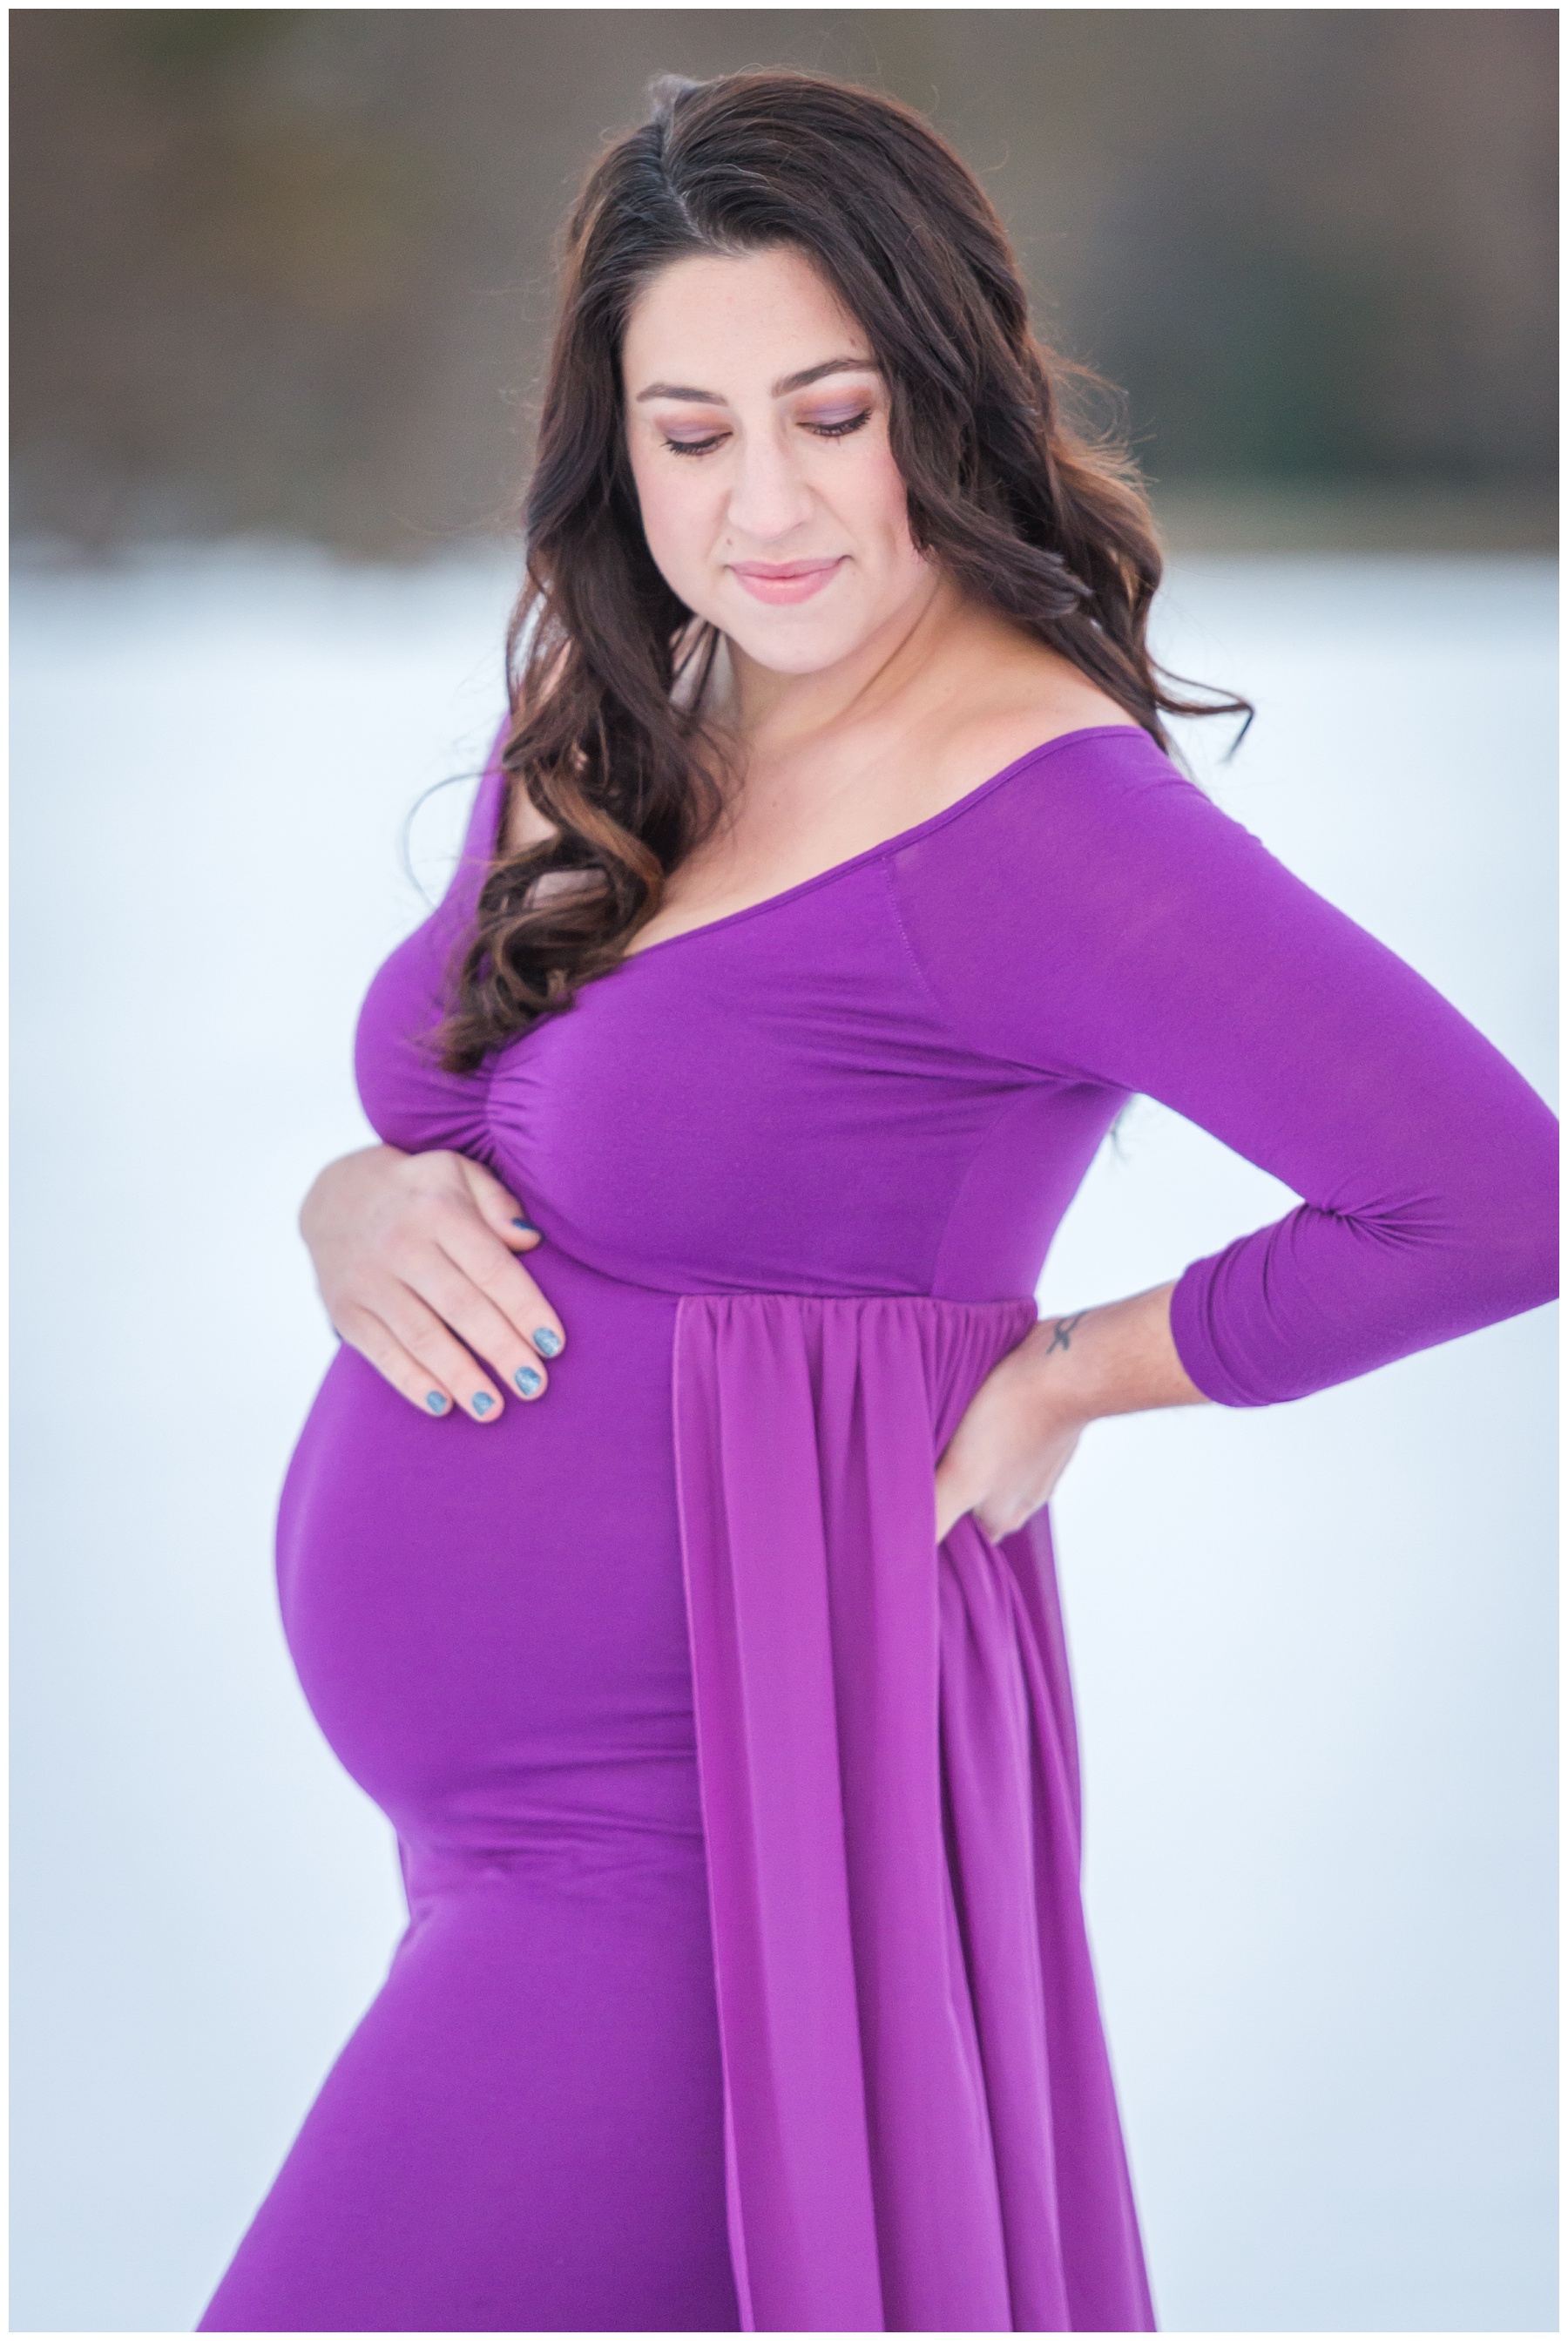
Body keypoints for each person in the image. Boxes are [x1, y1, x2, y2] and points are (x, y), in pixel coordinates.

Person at [196, 67, 1558, 2338]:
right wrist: (351, 1202)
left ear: (946, 391)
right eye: (692, 432)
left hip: (710, 1856)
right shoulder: (633, 706)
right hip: (495, 1847)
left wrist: (1082, 1373)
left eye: (830, 416)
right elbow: (471, 1097)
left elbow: (1495, 1198)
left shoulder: (1037, 816)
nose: (766, 504)